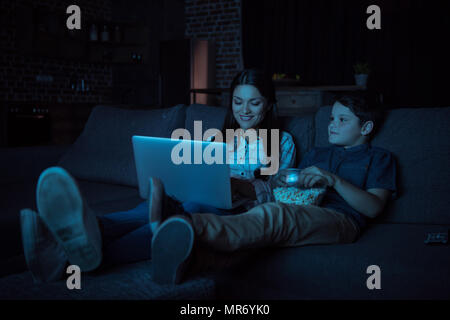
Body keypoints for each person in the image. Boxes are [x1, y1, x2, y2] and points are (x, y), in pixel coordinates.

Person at [20, 69, 296, 284]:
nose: (244, 110)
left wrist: (241, 185)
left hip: (236, 210)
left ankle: (66, 255)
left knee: (187, 212)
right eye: (238, 101)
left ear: (269, 104)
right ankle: (80, 233)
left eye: (254, 103)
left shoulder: (282, 142)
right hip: (198, 197)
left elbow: (278, 193)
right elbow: (194, 174)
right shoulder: (218, 139)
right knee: (150, 207)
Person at [150, 93, 397, 284]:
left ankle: (187, 223)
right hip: (301, 208)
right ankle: (186, 263)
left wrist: (333, 180)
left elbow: (374, 208)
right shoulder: (317, 153)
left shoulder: (379, 158)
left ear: (365, 128)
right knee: (258, 238)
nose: (333, 125)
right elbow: (294, 184)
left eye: (343, 120)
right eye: (332, 118)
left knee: (274, 215)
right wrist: (283, 181)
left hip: (341, 220)